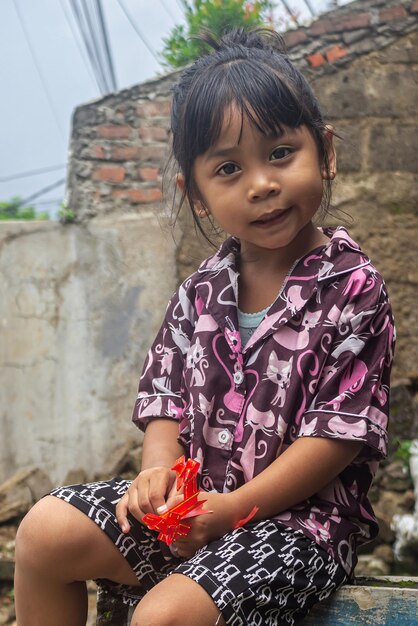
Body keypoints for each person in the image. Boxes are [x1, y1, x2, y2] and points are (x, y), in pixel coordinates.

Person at [14, 28, 395, 626]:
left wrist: (234, 509)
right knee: (44, 533)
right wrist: (157, 474)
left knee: (162, 617)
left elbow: (336, 436)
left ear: (324, 152)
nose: (261, 183)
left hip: (296, 528)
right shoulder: (200, 291)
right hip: (194, 514)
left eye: (279, 154)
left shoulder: (352, 288)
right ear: (194, 194)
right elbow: (165, 399)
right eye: (227, 168)